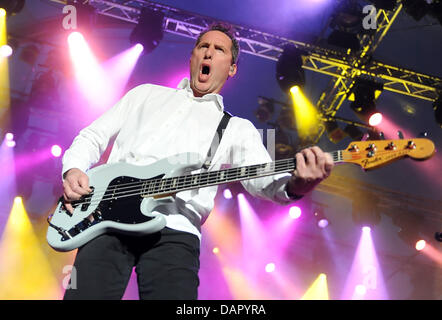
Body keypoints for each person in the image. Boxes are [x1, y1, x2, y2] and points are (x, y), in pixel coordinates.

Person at [61, 23, 334, 300]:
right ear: (192, 57)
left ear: (232, 68)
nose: (209, 53)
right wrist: (73, 169)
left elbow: (262, 181)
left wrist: (298, 184)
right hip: (107, 219)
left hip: (176, 232)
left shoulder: (235, 128)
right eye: (203, 47)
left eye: (219, 50)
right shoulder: (144, 95)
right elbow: (93, 136)